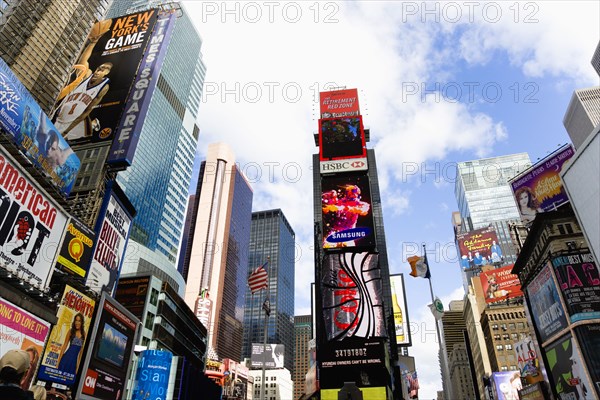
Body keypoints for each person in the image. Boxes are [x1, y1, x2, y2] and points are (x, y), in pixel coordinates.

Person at [52, 21, 111, 140]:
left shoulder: (103, 87)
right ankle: (93, 124)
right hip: (57, 115)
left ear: (106, 73)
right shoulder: (87, 73)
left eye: (103, 70)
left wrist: (67, 130)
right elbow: (83, 60)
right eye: (99, 68)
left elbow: (87, 111)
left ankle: (93, 124)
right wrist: (93, 42)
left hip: (70, 123)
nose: (98, 71)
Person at [57, 313, 86, 378]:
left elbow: (81, 353)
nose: (77, 323)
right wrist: (58, 362)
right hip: (66, 359)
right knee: (59, 379)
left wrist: (78, 367)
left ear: (82, 322)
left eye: (79, 321)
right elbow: (64, 346)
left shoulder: (84, 334)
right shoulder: (71, 331)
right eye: (76, 320)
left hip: (73, 363)